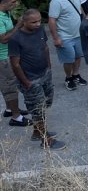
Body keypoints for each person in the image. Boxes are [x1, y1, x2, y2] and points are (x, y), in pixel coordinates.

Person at [9, 9, 65, 149]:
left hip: (45, 74)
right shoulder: (15, 38)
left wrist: (49, 67)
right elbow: (15, 64)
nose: (38, 24)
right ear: (24, 21)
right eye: (33, 22)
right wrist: (26, 82)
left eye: (39, 20)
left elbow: (45, 48)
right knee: (37, 109)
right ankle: (46, 140)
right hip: (30, 80)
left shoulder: (40, 30)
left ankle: (36, 132)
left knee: (46, 102)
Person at [48, 0, 86, 90]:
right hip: (65, 36)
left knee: (78, 56)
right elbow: (51, 20)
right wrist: (56, 38)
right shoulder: (57, 1)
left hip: (78, 34)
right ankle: (68, 78)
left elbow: (80, 10)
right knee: (69, 59)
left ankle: (76, 75)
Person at [0, 0, 30, 127]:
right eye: (13, 2)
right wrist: (18, 26)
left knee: (8, 84)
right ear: (3, 3)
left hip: (7, 55)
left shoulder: (6, 13)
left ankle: (9, 109)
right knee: (10, 86)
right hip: (3, 58)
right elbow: (4, 39)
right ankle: (16, 117)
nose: (15, 4)